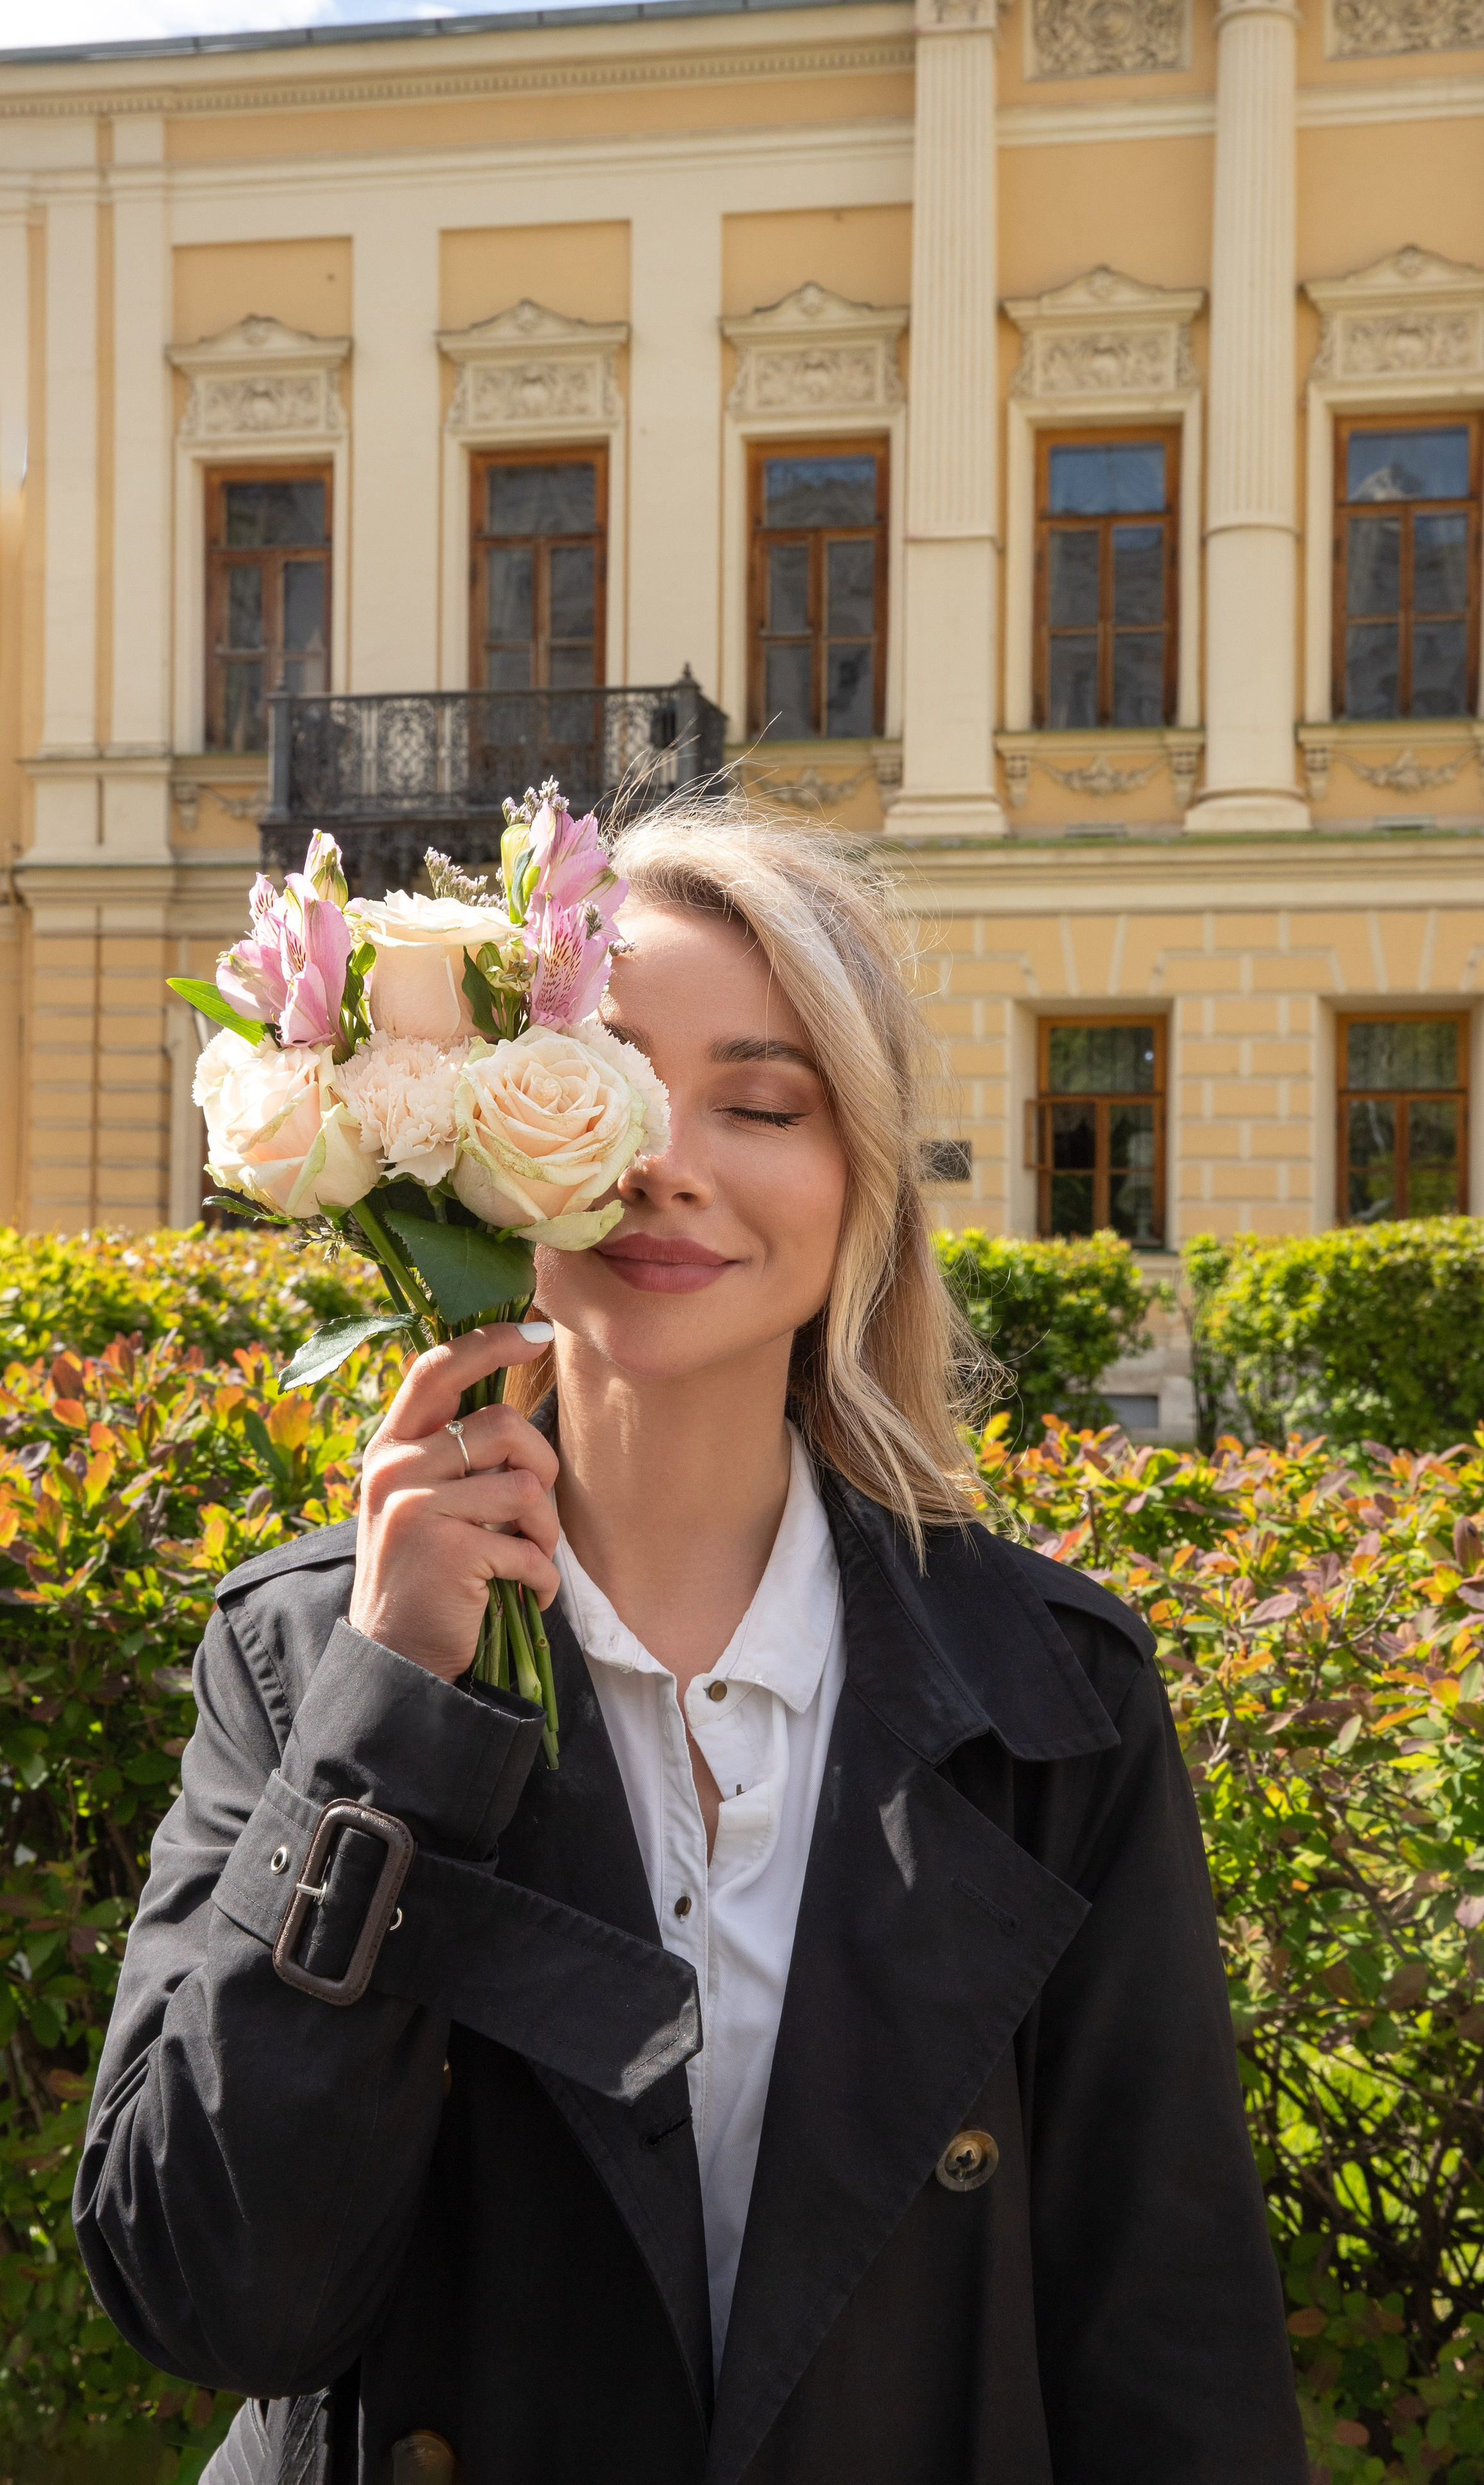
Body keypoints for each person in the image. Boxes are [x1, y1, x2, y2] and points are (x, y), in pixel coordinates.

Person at [74, 814, 1307, 2485]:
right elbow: (211, 2291)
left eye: (764, 1101)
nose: (671, 1162)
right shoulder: (307, 1649)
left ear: (857, 1171)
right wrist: (389, 1715)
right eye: (613, 1082)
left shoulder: (1053, 1702)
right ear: (486, 1150)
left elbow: (1173, 2348)